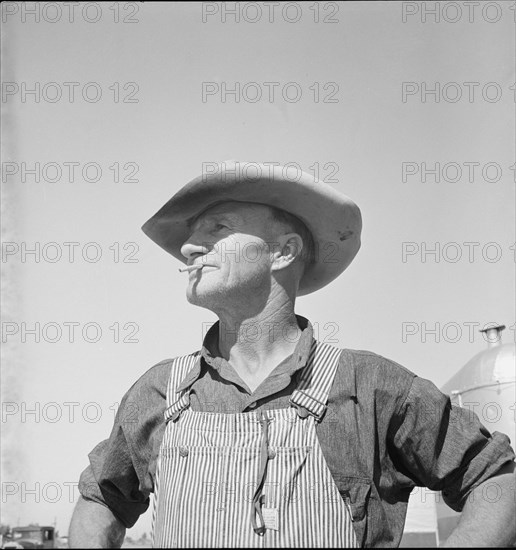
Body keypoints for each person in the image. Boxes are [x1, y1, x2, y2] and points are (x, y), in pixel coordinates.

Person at [69, 162, 515, 548]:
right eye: (191, 236)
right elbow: (101, 498)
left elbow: (497, 478)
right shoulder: (160, 391)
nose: (188, 248)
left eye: (217, 228)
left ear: (283, 252)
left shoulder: (372, 387)